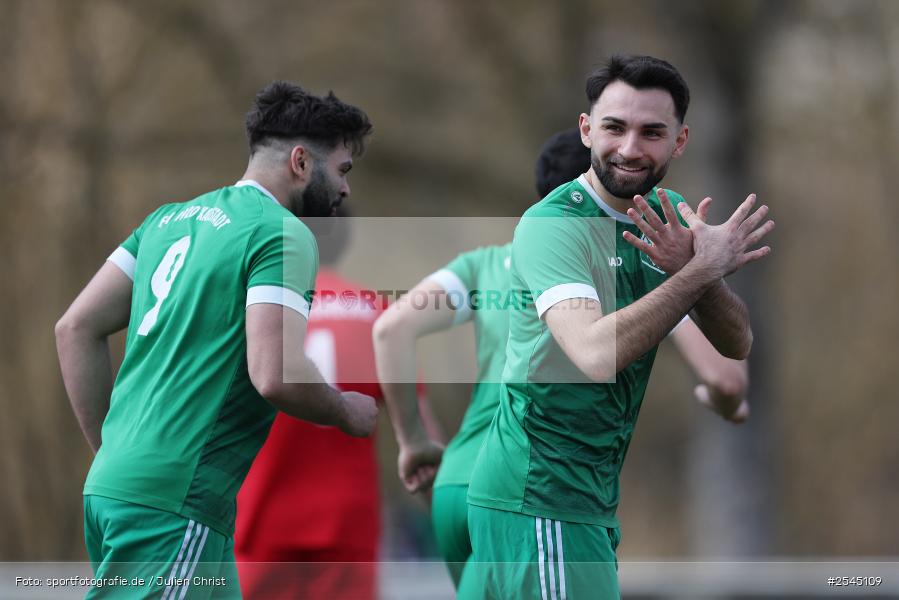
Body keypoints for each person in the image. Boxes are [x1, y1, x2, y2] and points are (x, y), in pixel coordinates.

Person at [373, 127, 749, 590]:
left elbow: (391, 328)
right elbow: (726, 377)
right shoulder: (634, 274)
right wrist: (725, 402)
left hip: (459, 484)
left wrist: (414, 441)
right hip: (536, 484)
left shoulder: (488, 264)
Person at [459, 54, 774, 599]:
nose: (630, 148)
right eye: (614, 127)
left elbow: (737, 343)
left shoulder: (669, 215)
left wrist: (705, 276)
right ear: (586, 130)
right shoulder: (553, 226)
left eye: (652, 132)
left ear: (679, 142)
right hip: (541, 497)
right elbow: (596, 354)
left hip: (581, 501)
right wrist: (699, 268)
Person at [55, 81, 377, 599]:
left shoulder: (165, 221)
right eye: (342, 170)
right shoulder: (281, 232)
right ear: (300, 162)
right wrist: (344, 411)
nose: (344, 190)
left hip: (116, 489)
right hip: (175, 501)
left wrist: (112, 453)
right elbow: (274, 375)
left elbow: (74, 328)